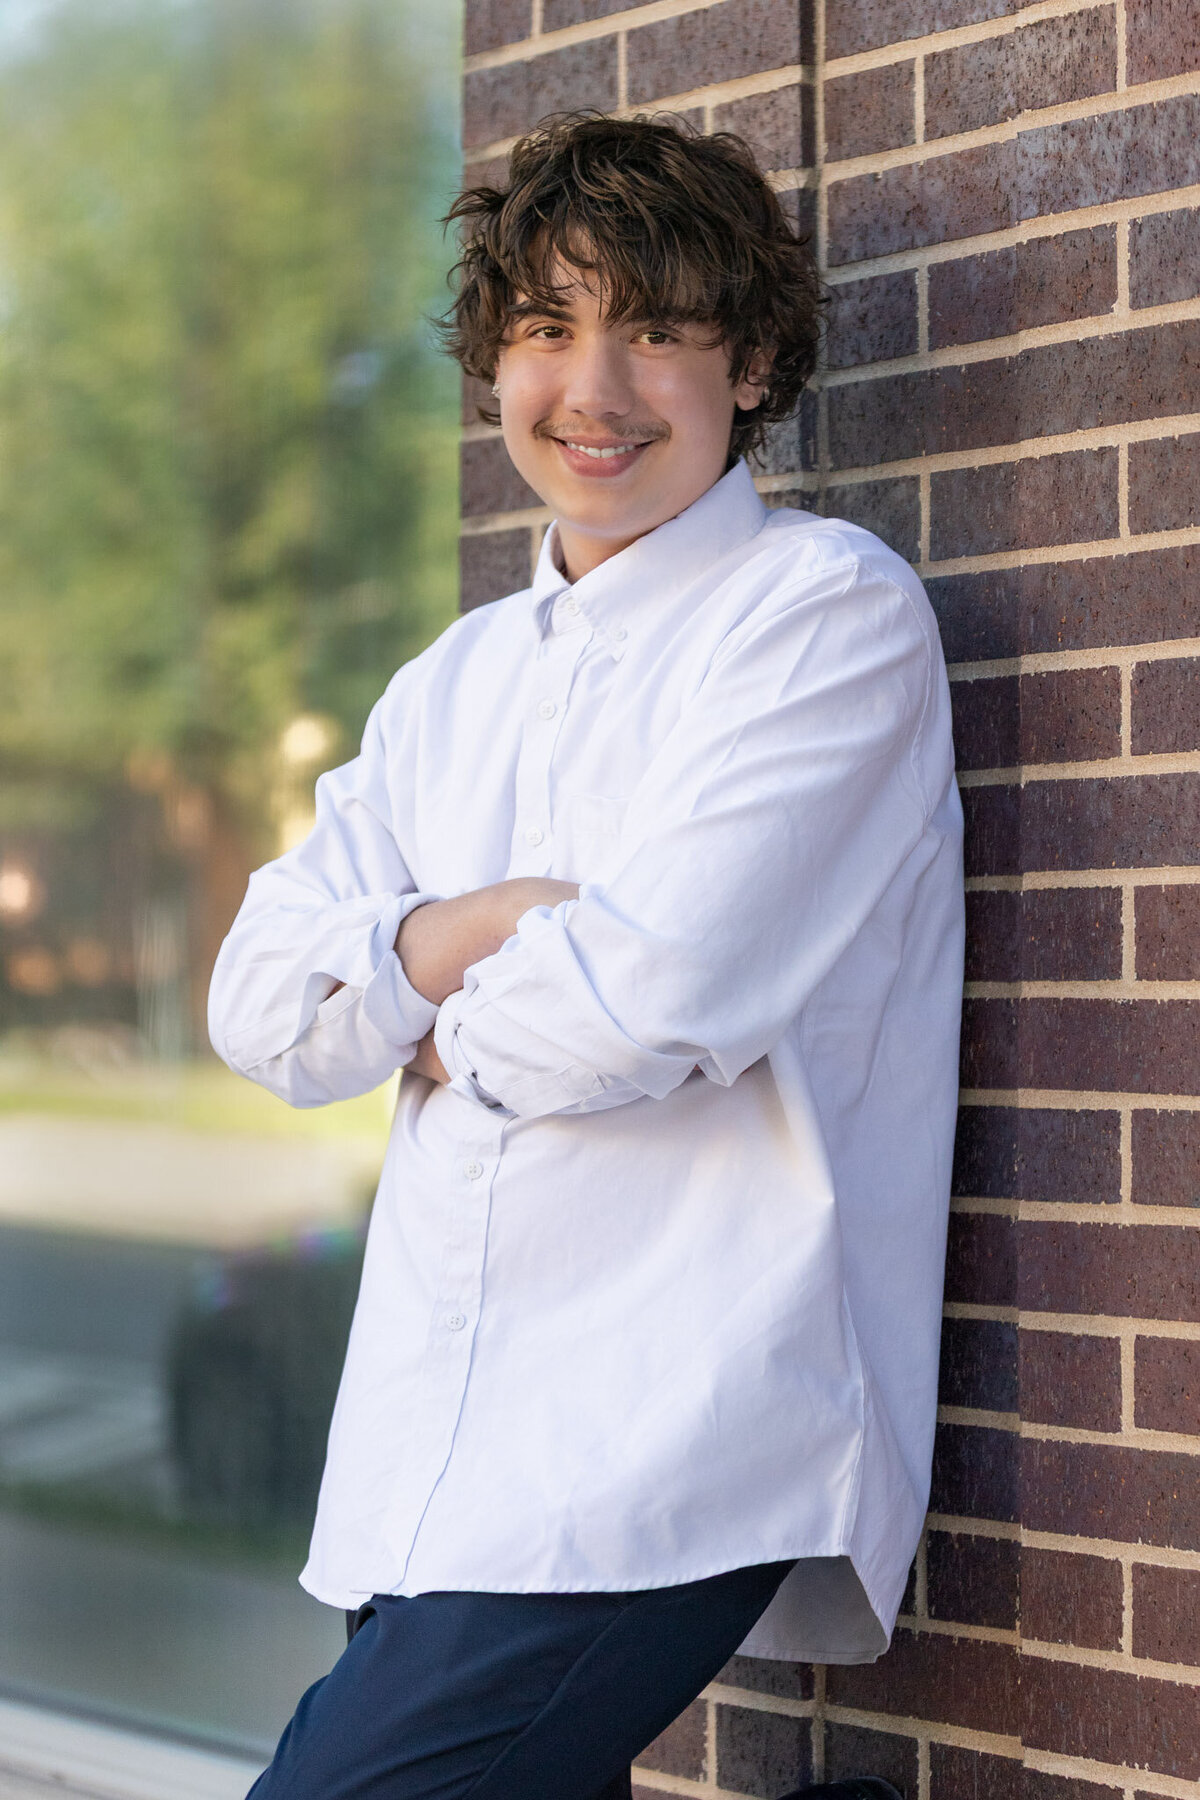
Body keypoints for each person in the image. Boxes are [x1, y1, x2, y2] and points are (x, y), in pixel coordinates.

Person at [209, 111, 963, 1800]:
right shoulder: (452, 682)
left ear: (750, 362)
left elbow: (636, 1009)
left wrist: (404, 1008)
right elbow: (260, 1002)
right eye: (548, 327)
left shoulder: (823, 616)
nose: (593, 388)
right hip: (432, 1442)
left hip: (659, 1427)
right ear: (496, 361)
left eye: (657, 328)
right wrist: (469, 935)